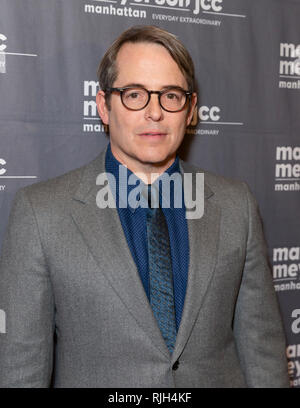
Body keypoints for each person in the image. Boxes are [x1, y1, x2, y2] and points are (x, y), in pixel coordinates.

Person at [0, 25, 289, 388]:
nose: (155, 113)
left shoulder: (236, 205)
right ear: (104, 106)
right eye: (134, 94)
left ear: (190, 110)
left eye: (170, 95)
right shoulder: (41, 213)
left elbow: (262, 352)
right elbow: (21, 369)